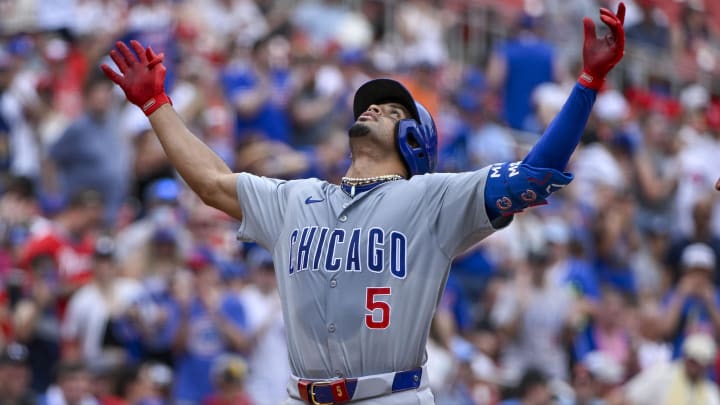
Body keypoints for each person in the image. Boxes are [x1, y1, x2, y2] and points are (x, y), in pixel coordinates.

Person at [101, 3, 626, 402]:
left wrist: (588, 81)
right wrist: (156, 105)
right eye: (372, 102)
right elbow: (213, 183)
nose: (374, 106)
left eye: (393, 109)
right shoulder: (297, 197)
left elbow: (534, 172)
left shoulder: (433, 198)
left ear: (416, 140)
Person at [624, 332, 720, 405]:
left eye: (699, 362)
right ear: (685, 356)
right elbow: (627, 398)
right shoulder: (662, 374)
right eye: (692, 360)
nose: (694, 366)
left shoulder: (710, 392)